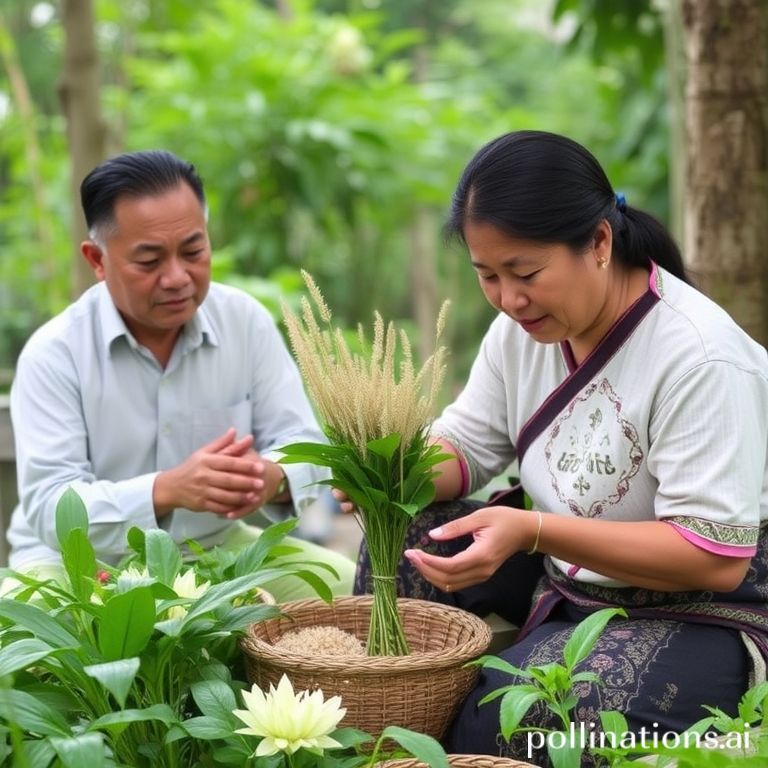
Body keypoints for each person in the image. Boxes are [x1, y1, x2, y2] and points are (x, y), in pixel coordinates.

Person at [352, 131, 768, 763]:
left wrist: (533, 530)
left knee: (519, 722)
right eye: (487, 276)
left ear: (599, 243)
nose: (509, 299)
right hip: (571, 574)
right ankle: (386, 737)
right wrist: (385, 471)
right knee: (408, 539)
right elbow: (465, 445)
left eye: (525, 273)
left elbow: (712, 556)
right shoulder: (520, 332)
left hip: (705, 608)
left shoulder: (699, 356)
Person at [8, 149, 355, 601]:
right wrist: (166, 490)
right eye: (149, 262)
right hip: (79, 567)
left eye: (193, 251)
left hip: (215, 554)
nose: (177, 278)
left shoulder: (244, 322)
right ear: (97, 259)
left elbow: (301, 440)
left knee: (349, 589)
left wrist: (271, 478)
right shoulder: (54, 354)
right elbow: (51, 508)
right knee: (25, 620)